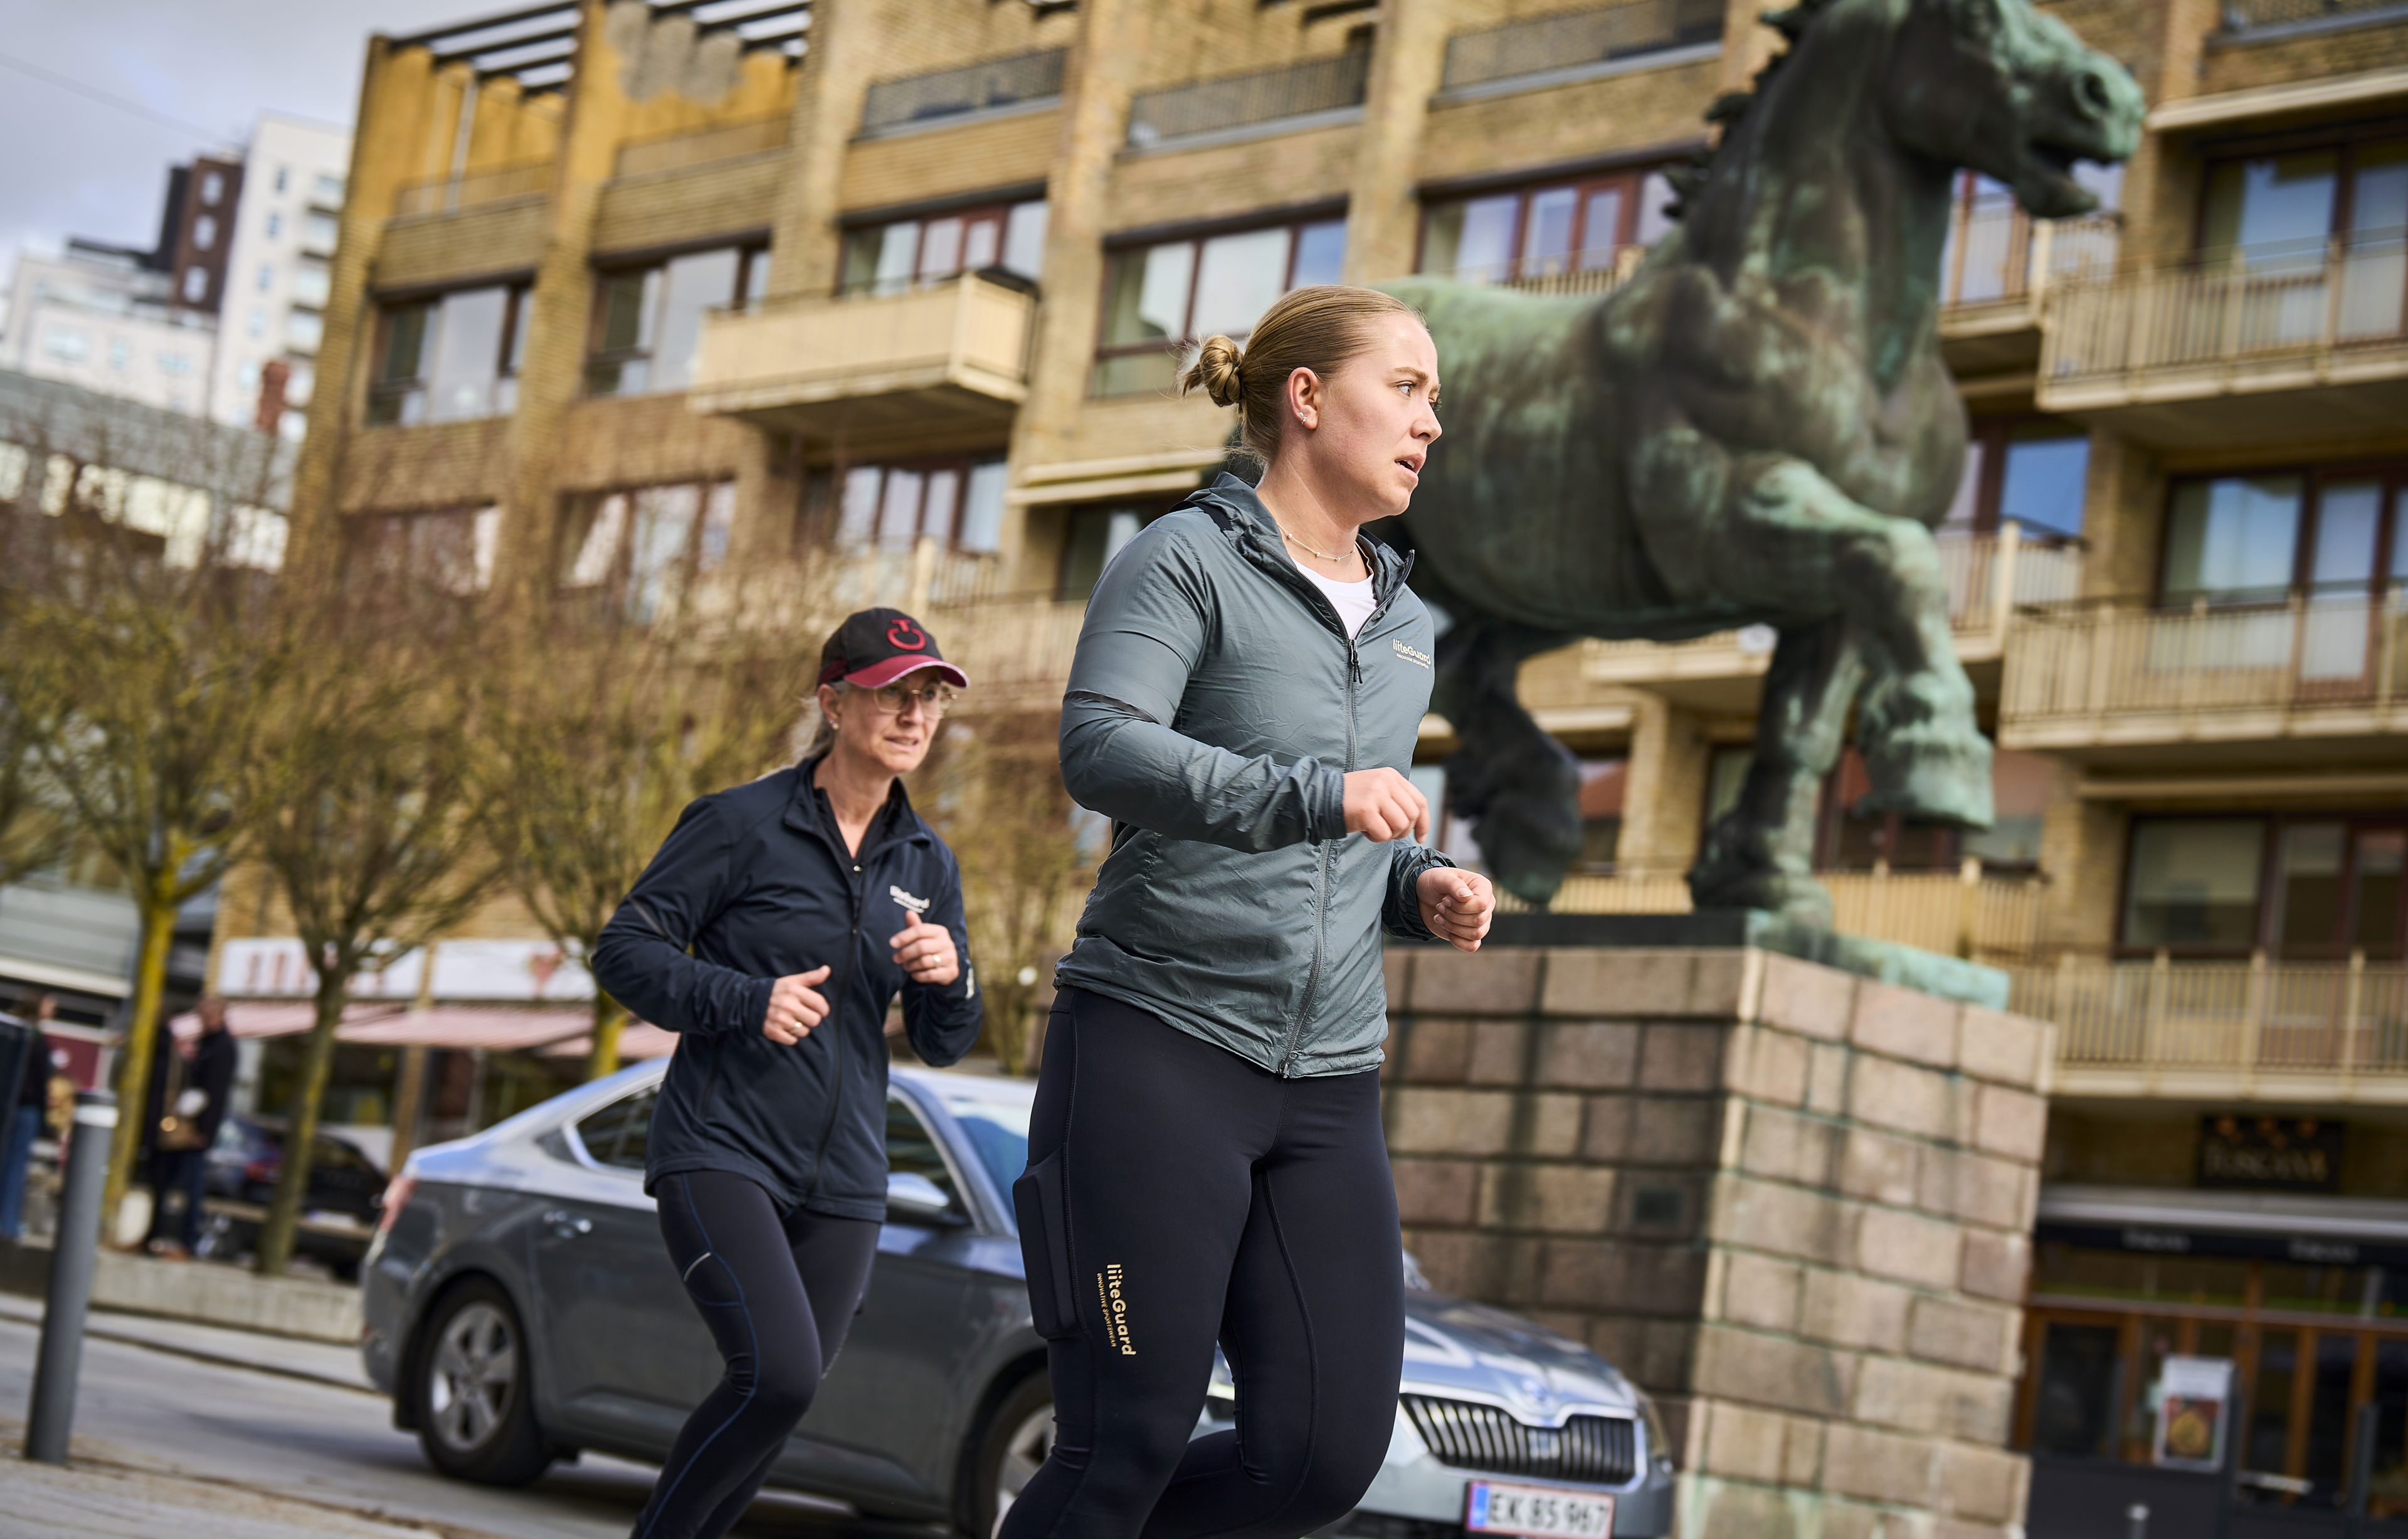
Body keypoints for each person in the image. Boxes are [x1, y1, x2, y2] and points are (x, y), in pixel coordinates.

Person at [1003, 285, 1497, 1539]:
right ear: (1308, 397)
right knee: (1123, 1443)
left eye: (1435, 396)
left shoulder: (1403, 623)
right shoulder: (1186, 559)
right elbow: (1103, 748)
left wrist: (1418, 879)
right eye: (1408, 387)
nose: (1431, 420)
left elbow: (1339, 839)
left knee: (1322, 1458)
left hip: (1327, 1080)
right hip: (1158, 1042)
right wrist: (1319, 796)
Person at [593, 607, 983, 1539]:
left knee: (776, 1399)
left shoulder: (927, 861)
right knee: (778, 1373)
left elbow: (942, 1040)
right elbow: (624, 950)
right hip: (721, 1147)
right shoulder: (740, 823)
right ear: (833, 701)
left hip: (846, 1176)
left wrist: (952, 978)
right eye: (893, 694)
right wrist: (745, 997)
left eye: (928, 698)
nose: (914, 714)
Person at [145, 997, 236, 1257]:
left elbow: (215, 1094)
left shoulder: (221, 1048)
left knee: (191, 1188)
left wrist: (205, 1132)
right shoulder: (207, 1044)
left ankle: (188, 1243)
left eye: (205, 1015)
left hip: (196, 1133)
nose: (201, 1020)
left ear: (218, 1016)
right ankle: (158, 1237)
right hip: (189, 1129)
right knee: (169, 1184)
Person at [0, 992, 58, 1240]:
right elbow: (35, 1079)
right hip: (25, 1110)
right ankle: (7, 1223)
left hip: (16, 1108)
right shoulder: (31, 1037)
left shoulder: (18, 1034)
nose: (54, 1009)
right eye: (50, 1004)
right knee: (15, 1167)